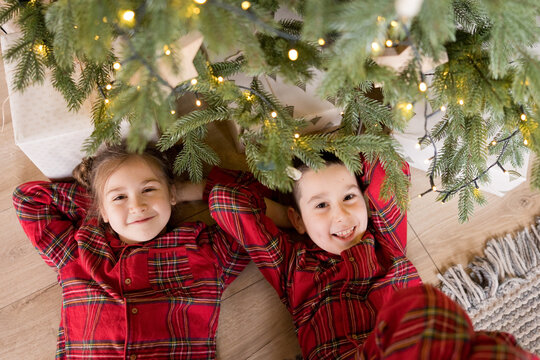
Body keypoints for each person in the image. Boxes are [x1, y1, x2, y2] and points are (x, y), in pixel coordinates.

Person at [208, 152, 538, 359]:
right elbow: (226, 201)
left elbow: (388, 164)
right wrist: (286, 211)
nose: (341, 216)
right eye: (321, 205)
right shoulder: (291, 266)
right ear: (297, 219)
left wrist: (344, 160)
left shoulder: (385, 242)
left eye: (349, 197)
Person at [12, 143, 250, 359]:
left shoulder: (206, 253)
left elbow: (252, 194)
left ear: (171, 193)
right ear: (102, 211)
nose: (137, 206)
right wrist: (101, 204)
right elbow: (28, 200)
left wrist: (183, 192)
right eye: (120, 197)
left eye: (148, 190)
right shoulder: (79, 251)